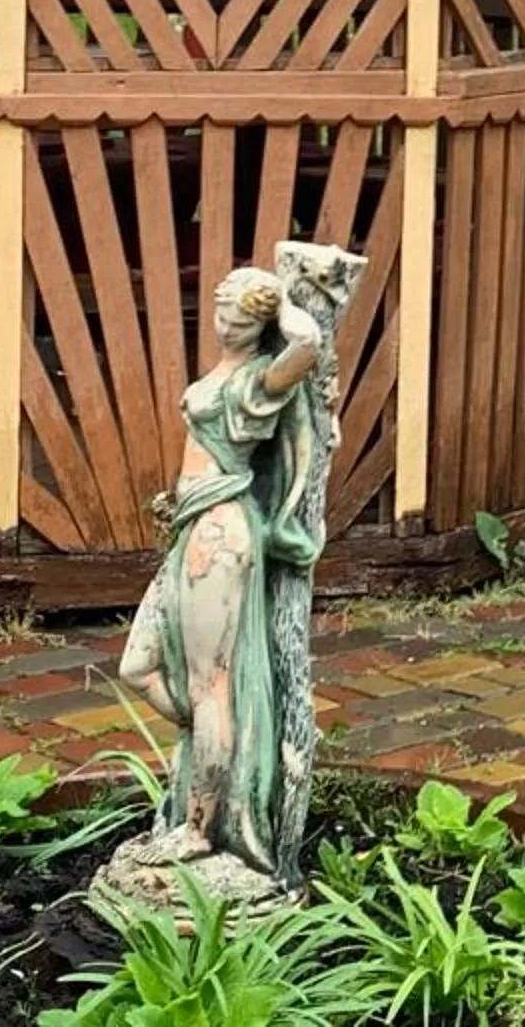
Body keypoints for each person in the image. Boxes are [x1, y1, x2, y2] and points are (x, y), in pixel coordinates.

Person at [118, 269, 328, 877]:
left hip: (221, 532)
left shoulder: (256, 381)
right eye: (221, 311)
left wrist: (286, 298)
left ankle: (199, 828)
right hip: (193, 527)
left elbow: (308, 348)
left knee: (213, 687)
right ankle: (217, 750)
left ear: (259, 322)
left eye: (240, 316)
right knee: (138, 665)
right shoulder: (221, 373)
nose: (225, 323)